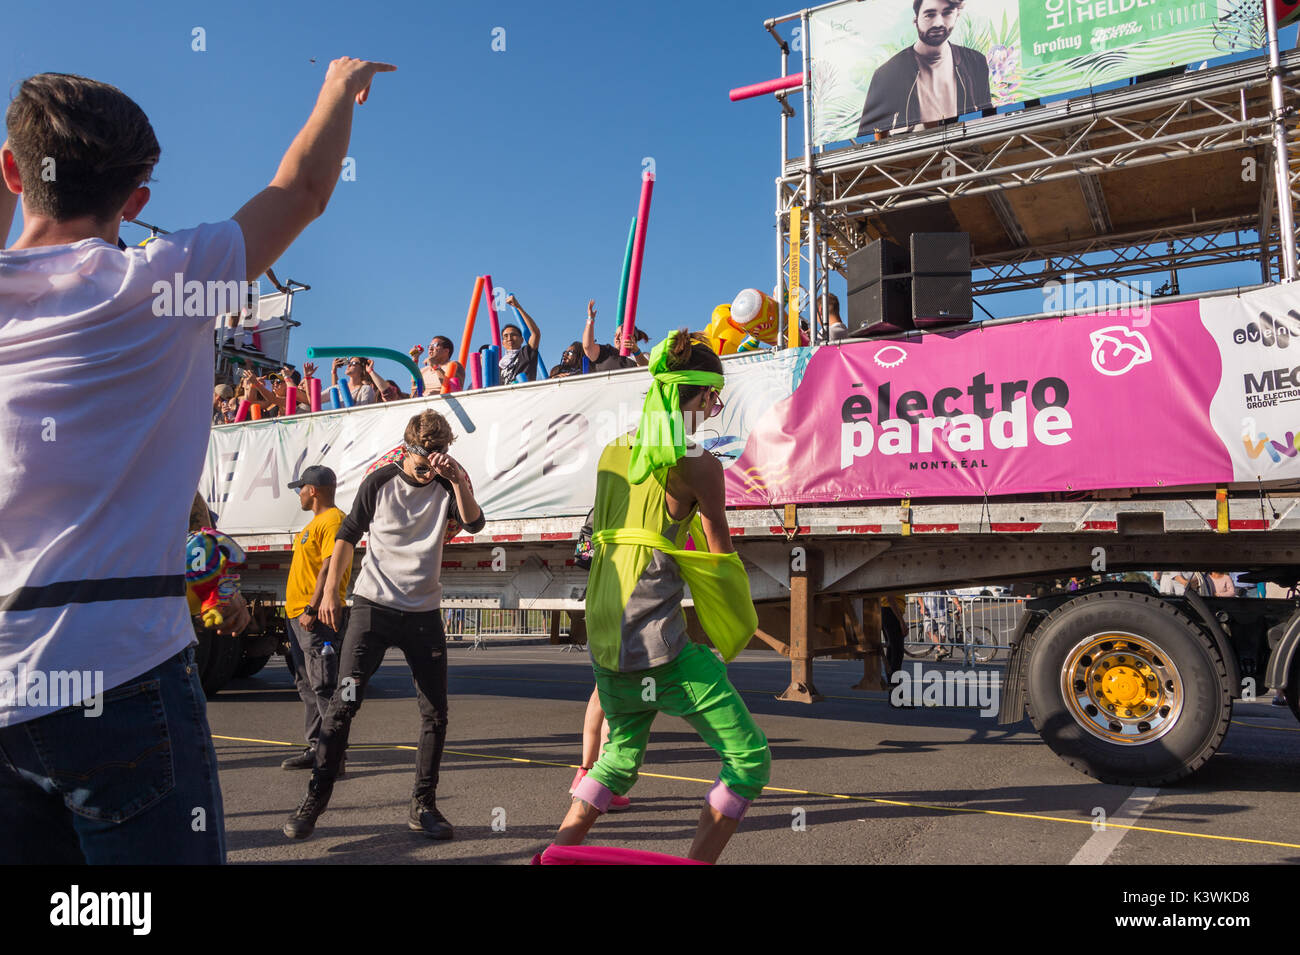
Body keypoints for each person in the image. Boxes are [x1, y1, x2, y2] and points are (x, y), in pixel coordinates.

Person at [0, 57, 394, 864]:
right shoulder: (164, 281)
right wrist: (334, 89)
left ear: (12, 171)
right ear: (138, 199)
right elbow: (303, 190)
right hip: (121, 666)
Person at [552, 330, 771, 863]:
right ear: (688, 396)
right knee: (749, 761)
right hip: (658, 649)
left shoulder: (612, 452)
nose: (713, 408)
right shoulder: (697, 463)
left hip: (607, 641)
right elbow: (720, 558)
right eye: (710, 398)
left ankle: (554, 856)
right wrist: (731, 628)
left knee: (619, 760)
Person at [283, 409, 484, 841]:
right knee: (343, 705)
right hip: (374, 608)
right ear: (409, 449)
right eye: (426, 456)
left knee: (435, 712)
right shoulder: (381, 481)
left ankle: (423, 806)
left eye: (441, 453)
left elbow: (474, 523)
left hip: (423, 614)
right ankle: (314, 801)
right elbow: (347, 536)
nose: (432, 463)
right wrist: (333, 591)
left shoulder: (449, 484)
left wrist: (458, 479)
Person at [281, 466, 354, 771]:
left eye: (301, 488)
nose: (298, 493)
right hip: (297, 614)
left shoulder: (334, 520)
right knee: (307, 685)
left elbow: (329, 567)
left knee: (324, 686)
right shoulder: (314, 523)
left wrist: (312, 607)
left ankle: (334, 757)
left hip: (316, 617)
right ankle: (316, 748)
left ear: (313, 490)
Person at [856, 0, 991, 137]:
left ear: (957, 15)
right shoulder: (887, 73)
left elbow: (988, 116)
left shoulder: (975, 61)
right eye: (930, 15)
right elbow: (873, 133)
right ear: (916, 20)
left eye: (947, 13)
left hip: (964, 147)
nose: (938, 23)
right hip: (913, 152)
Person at [582, 299, 650, 371]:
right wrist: (590, 319)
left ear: (632, 338)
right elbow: (588, 347)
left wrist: (636, 351)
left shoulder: (644, 356)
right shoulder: (608, 353)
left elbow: (648, 372)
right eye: (615, 335)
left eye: (620, 335)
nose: (616, 338)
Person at [500, 294, 540, 384]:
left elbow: (536, 333)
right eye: (505, 336)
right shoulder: (500, 364)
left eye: (513, 335)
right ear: (503, 343)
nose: (509, 338)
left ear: (521, 340)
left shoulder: (526, 352)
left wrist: (518, 307)